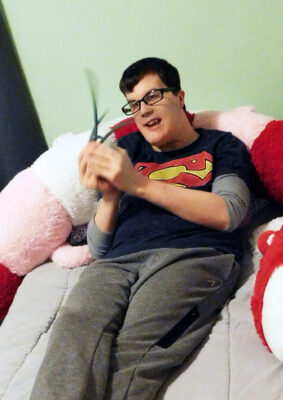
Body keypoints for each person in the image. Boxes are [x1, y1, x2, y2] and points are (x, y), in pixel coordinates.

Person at [30, 57, 254, 400]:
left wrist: (138, 183)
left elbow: (229, 212)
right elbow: (99, 248)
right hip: (116, 262)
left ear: (180, 97)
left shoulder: (221, 145)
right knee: (73, 331)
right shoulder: (129, 149)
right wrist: (110, 195)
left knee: (133, 355)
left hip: (192, 255)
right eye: (134, 104)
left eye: (153, 96)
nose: (144, 110)